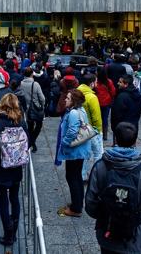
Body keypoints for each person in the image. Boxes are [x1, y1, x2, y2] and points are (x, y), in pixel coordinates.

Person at [85, 122, 141, 254]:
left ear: (115, 139)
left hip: (107, 234)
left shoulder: (100, 167)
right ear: (136, 141)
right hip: (136, 238)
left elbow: (90, 205)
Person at [0, 93, 28, 246]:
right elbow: (27, 142)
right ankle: (14, 231)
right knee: (15, 198)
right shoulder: (20, 121)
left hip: (0, 166)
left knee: (3, 201)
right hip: (16, 166)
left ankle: (8, 234)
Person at [55, 89, 92, 217]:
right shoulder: (79, 110)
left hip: (75, 151)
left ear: (74, 101)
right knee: (76, 176)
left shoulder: (73, 113)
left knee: (72, 177)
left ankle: (76, 209)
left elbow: (72, 131)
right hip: (80, 151)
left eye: (68, 98)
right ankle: (78, 203)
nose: (65, 99)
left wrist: (64, 143)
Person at [77, 74, 103, 182]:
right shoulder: (92, 97)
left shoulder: (77, 93)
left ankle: (82, 175)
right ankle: (95, 175)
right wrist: (98, 130)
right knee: (98, 153)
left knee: (85, 153)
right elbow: (96, 117)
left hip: (80, 128)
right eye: (95, 82)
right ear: (91, 83)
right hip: (92, 129)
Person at [111, 74, 141, 139]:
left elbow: (116, 114)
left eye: (120, 82)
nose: (118, 83)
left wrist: (114, 127)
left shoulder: (122, 96)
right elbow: (140, 110)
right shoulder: (137, 94)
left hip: (122, 129)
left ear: (126, 84)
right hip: (134, 127)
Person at [21, 67, 45, 153]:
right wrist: (41, 106)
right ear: (31, 74)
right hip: (35, 108)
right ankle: (31, 142)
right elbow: (42, 98)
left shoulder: (21, 84)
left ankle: (32, 143)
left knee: (30, 127)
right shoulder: (35, 84)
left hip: (26, 110)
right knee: (38, 125)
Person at [94, 67, 116, 141]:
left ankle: (97, 132)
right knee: (105, 118)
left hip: (97, 102)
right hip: (107, 102)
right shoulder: (108, 81)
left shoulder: (96, 82)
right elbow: (113, 92)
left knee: (97, 118)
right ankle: (105, 135)